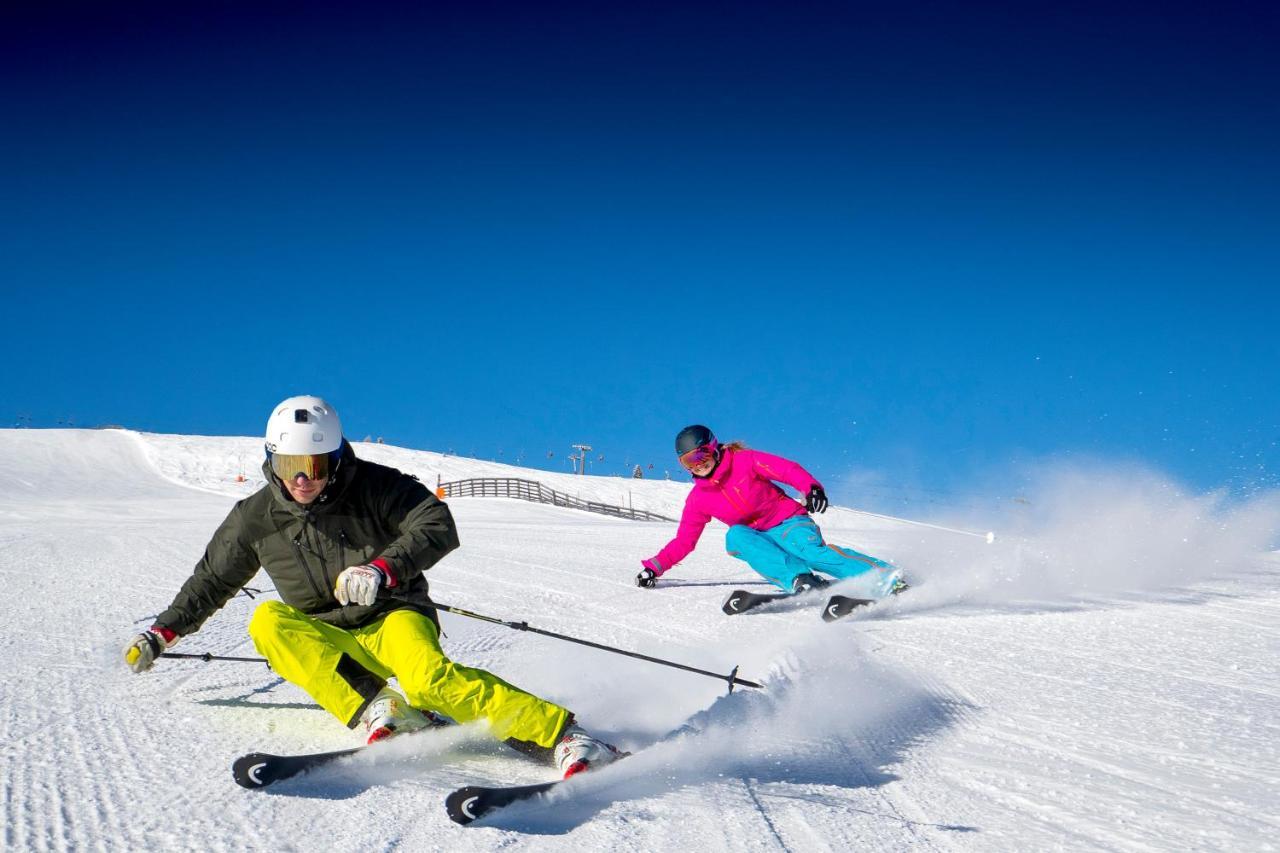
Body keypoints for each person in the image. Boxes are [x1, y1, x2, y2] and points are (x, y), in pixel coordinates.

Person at [124, 395, 620, 779]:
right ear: (271, 460)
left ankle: (564, 736)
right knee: (267, 620)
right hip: (328, 634)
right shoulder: (254, 517)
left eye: (315, 467)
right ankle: (380, 707)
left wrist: (383, 568)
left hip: (392, 615)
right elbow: (212, 578)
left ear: (336, 458)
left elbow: (436, 522)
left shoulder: (376, 485)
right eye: (289, 467)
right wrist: (162, 633)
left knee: (431, 682)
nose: (302, 480)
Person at [635, 425, 905, 596]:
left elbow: (787, 470)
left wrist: (811, 488)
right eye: (689, 461)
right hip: (759, 536)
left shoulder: (745, 461)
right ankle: (799, 579)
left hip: (788, 522)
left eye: (702, 454)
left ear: (714, 447)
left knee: (809, 551)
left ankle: (884, 577)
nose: (698, 464)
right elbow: (685, 540)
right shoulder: (699, 499)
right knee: (735, 537)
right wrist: (655, 568)